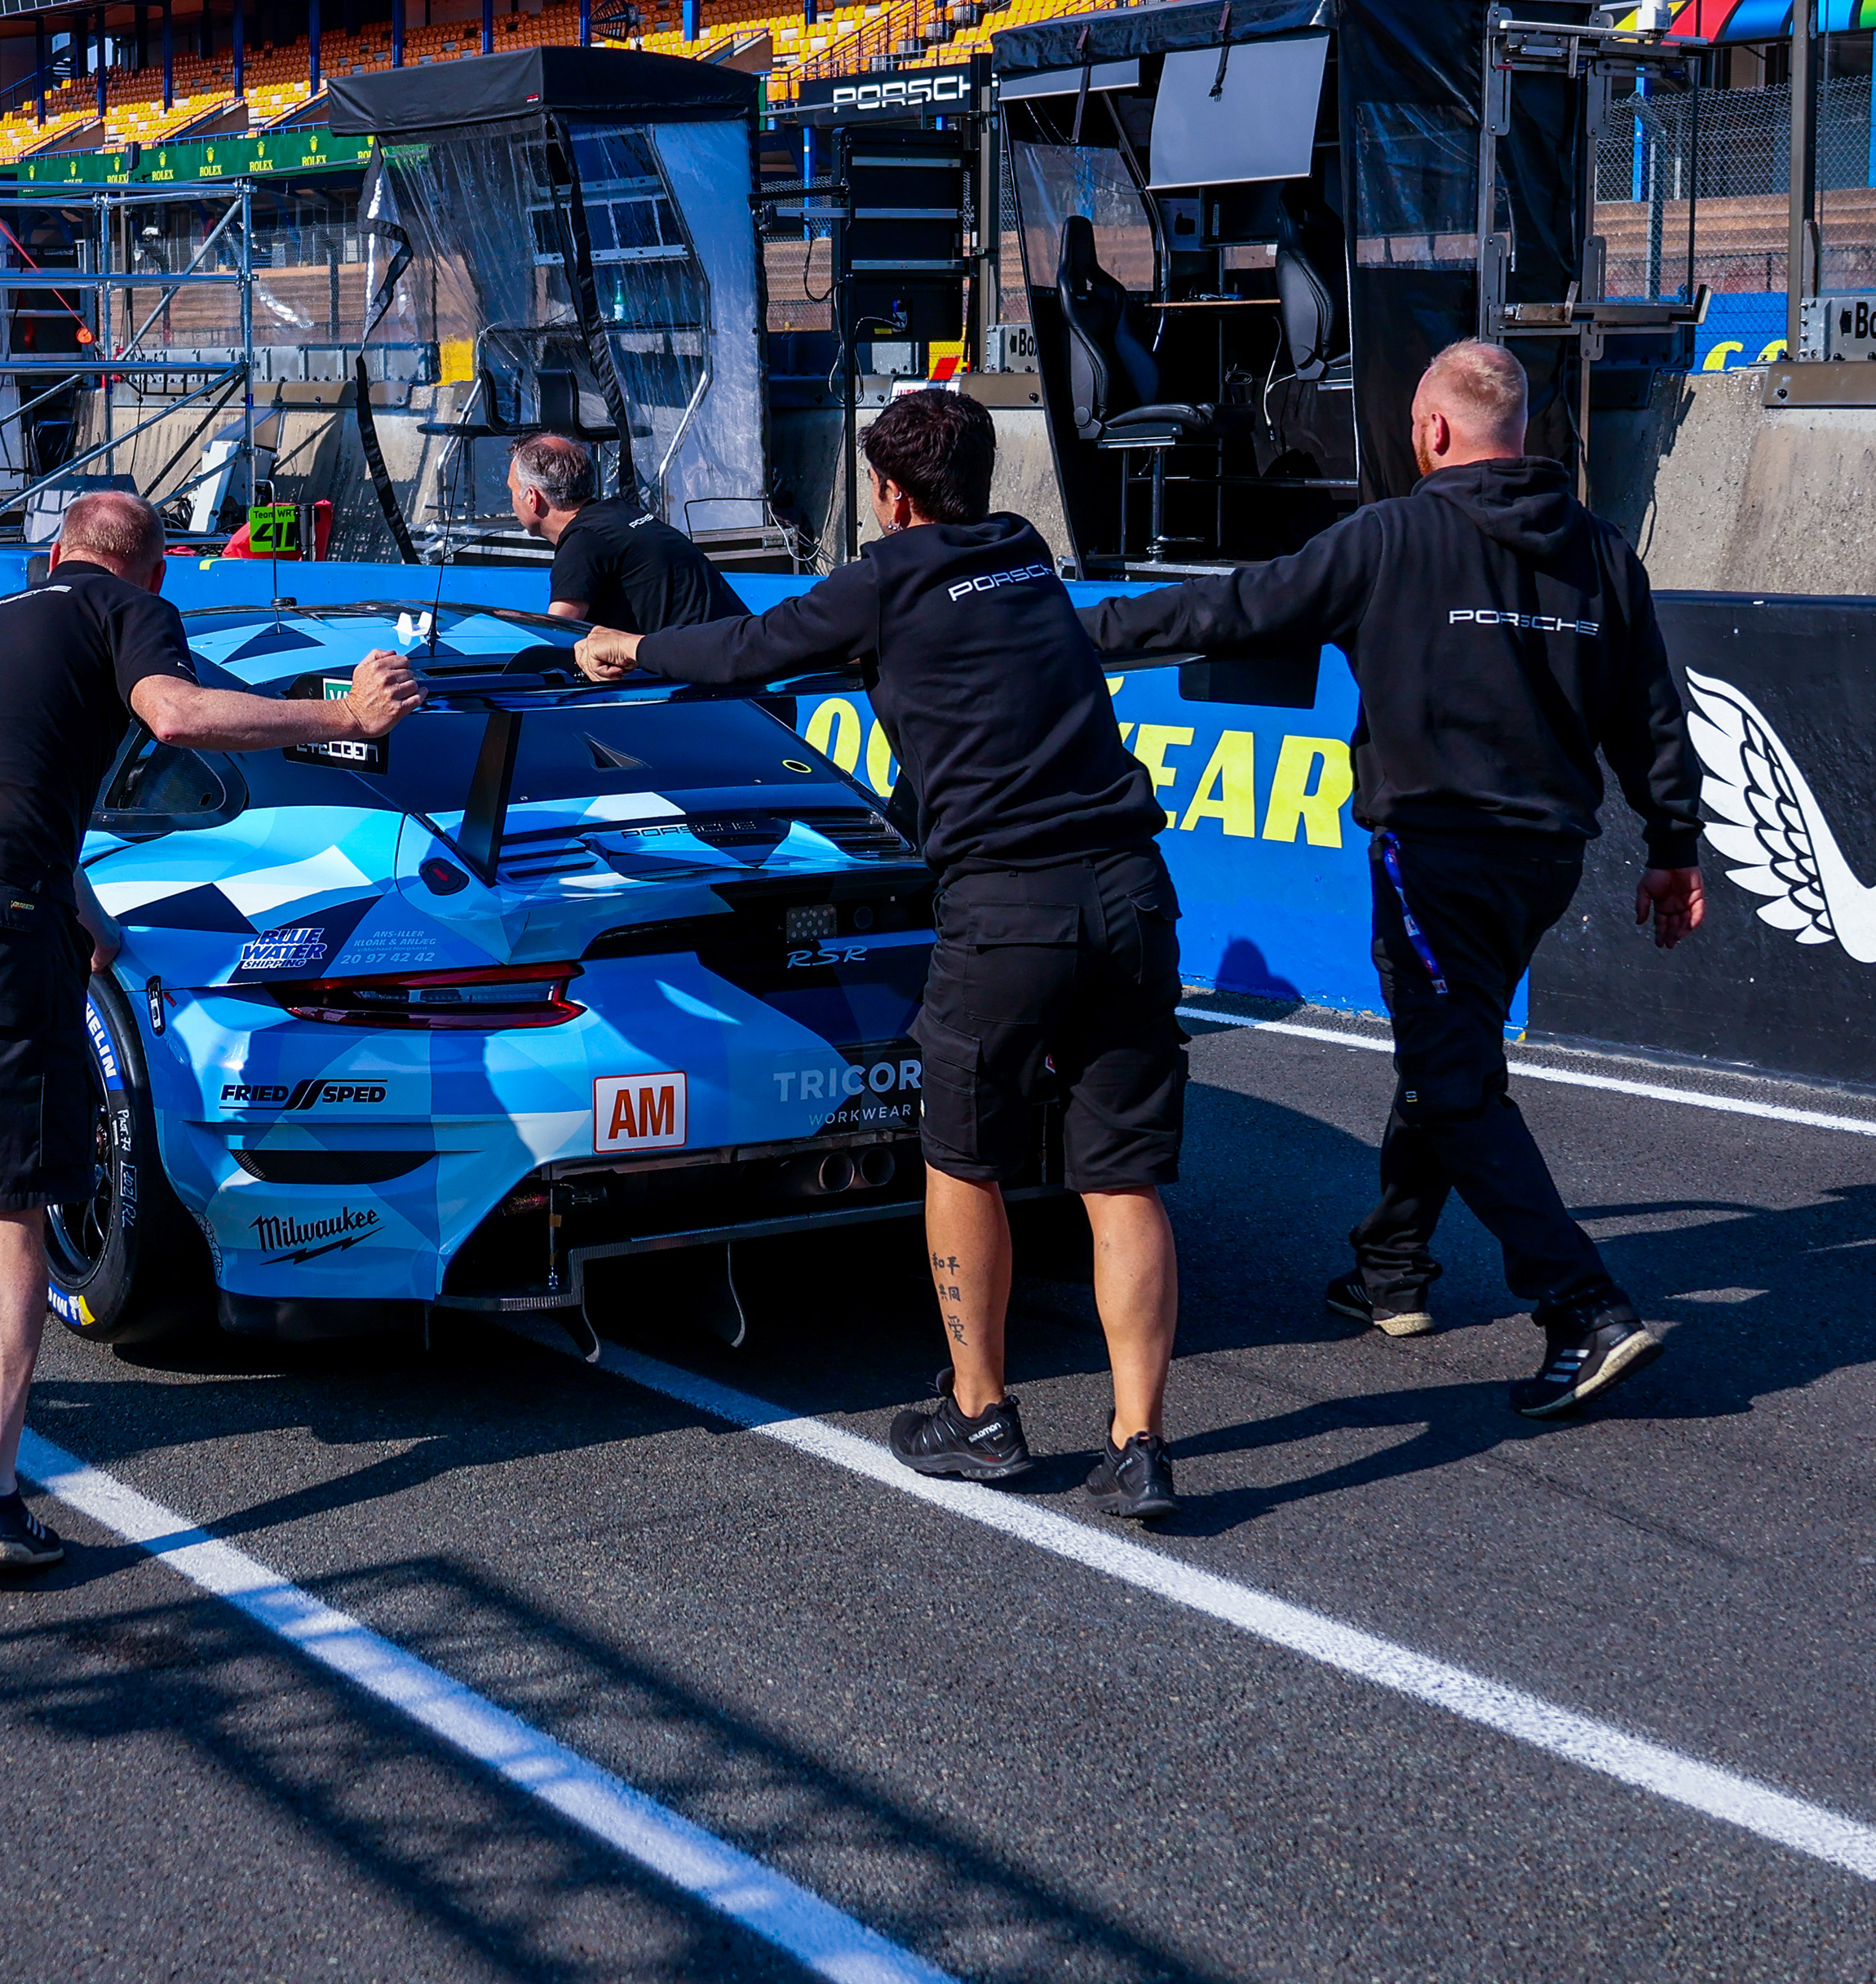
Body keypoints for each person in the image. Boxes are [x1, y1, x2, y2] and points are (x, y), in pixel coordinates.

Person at [577, 388, 1191, 1522]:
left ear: (892, 496)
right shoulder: (1023, 552)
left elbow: (750, 648)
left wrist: (629, 644)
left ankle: (981, 1411)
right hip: (1131, 892)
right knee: (1121, 1176)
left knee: (963, 1158)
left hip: (1007, 905)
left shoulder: (885, 579)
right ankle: (1141, 1443)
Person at [0, 489, 425, 1572]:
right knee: (8, 1209)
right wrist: (347, 720)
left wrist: (81, 912)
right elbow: (174, 714)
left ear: (53, 553)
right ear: (157, 572)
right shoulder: (124, 608)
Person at [1078, 340, 1705, 1418]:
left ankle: (1584, 1306)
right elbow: (1650, 714)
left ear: (1435, 431)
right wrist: (1673, 846)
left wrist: (1057, 633)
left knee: (1454, 1079)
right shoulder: (1603, 551)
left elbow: (1226, 611)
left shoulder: (1389, 536)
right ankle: (1391, 1269)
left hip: (1436, 856)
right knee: (1449, 1048)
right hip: (1547, 861)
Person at [507, 432, 750, 634]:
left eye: (513, 491)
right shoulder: (620, 513)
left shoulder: (583, 542)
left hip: (713, 668)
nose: (512, 501)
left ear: (532, 498)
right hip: (742, 645)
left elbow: (558, 635)